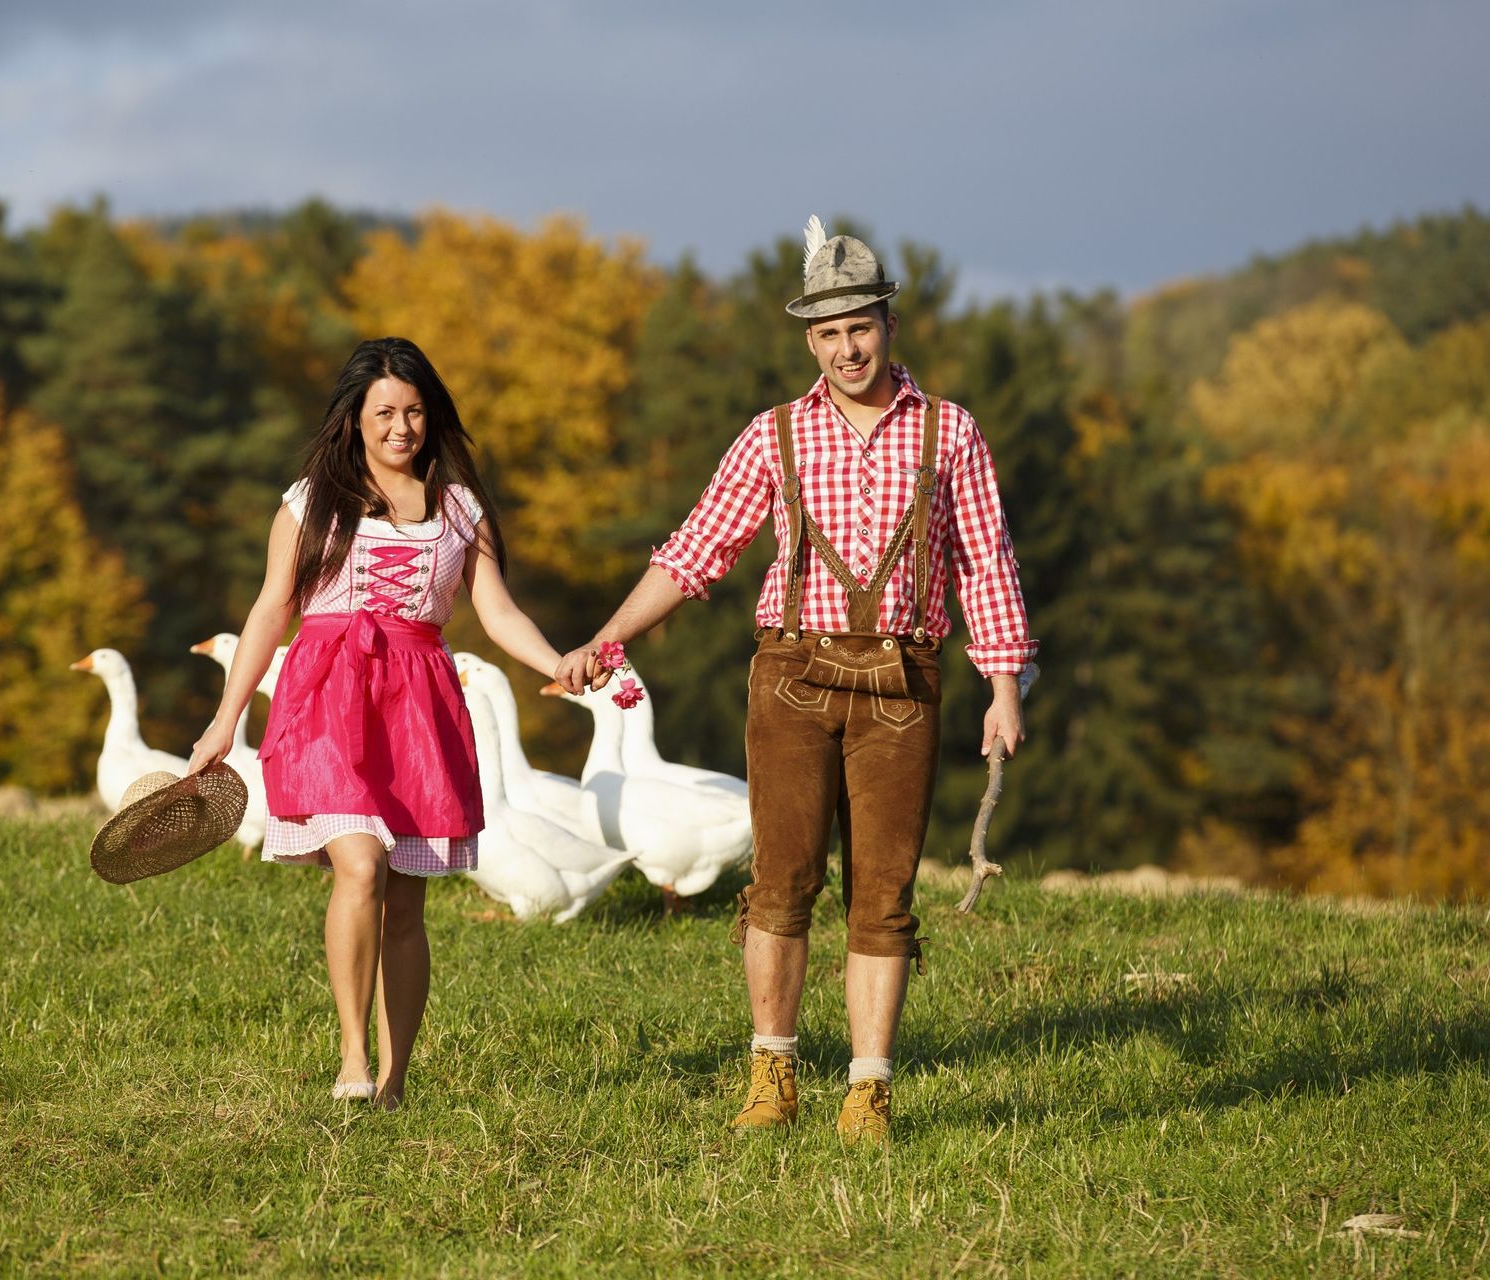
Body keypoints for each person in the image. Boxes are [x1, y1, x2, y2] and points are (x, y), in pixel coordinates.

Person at [555, 219, 1038, 1144]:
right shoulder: (774, 434)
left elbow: (986, 563)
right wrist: (608, 638)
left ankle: (868, 1090)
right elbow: (696, 550)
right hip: (792, 676)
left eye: (860, 328)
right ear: (808, 340)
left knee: (884, 894)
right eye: (828, 334)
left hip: (904, 680)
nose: (846, 349)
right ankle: (772, 1074)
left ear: (888, 325)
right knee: (780, 883)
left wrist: (1003, 684)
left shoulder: (951, 431)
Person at [189, 337, 571, 1109]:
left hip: (419, 710)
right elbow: (270, 611)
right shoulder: (308, 502)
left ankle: (394, 1085)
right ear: (353, 419)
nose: (402, 428)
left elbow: (498, 613)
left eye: (416, 411)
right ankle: (353, 1057)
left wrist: (558, 663)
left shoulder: (460, 511)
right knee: (359, 865)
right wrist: (225, 719)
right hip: (326, 698)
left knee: (406, 903)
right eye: (385, 413)